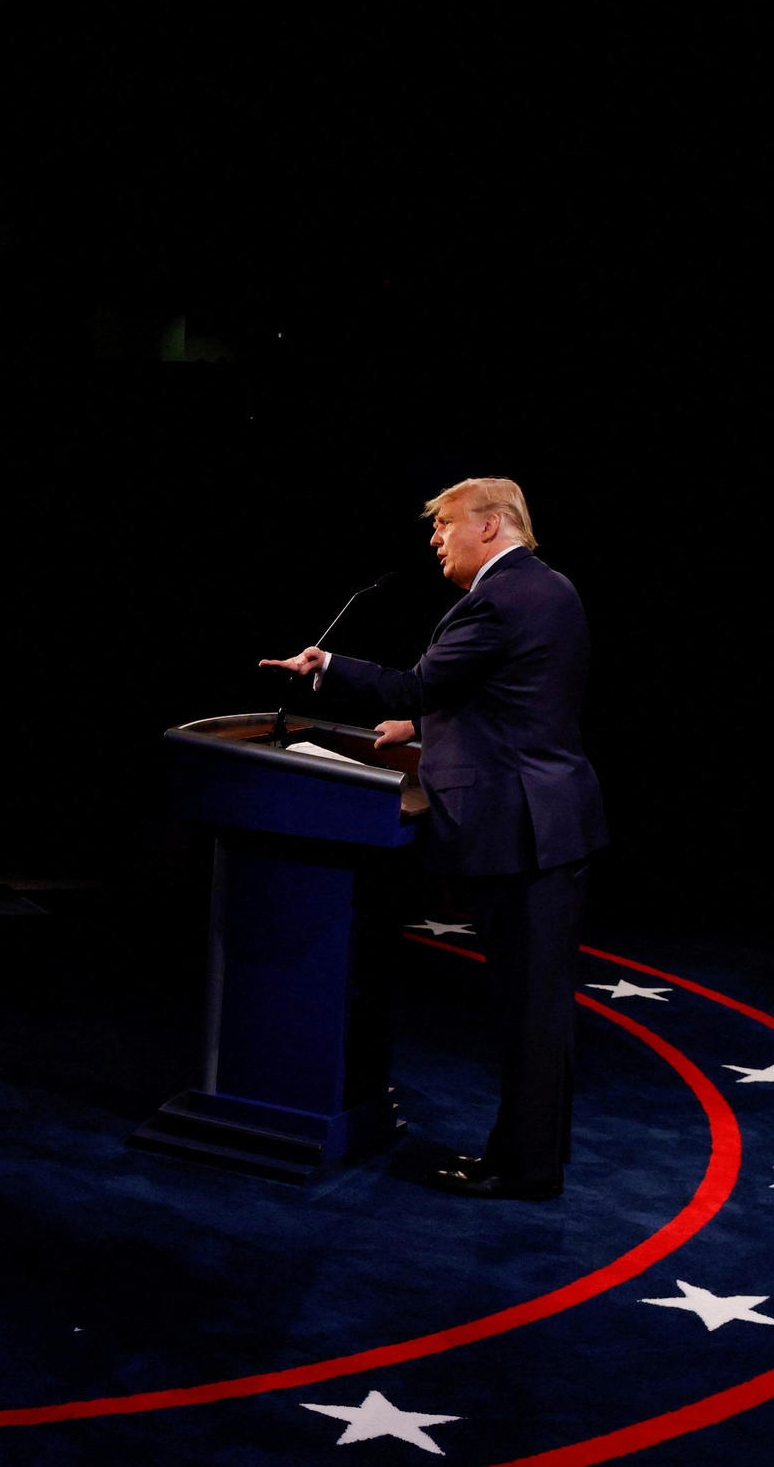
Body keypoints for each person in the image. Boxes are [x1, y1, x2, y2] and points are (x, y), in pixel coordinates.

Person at [260, 476, 607, 1201]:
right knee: (536, 1008)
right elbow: (517, 694)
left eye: (445, 524)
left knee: (529, 1011)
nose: (435, 539)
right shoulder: (551, 589)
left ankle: (523, 1168)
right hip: (549, 821)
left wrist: (330, 667)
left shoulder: (496, 599)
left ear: (491, 525)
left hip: (521, 830)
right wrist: (424, 730)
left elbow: (419, 684)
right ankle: (530, 1156)